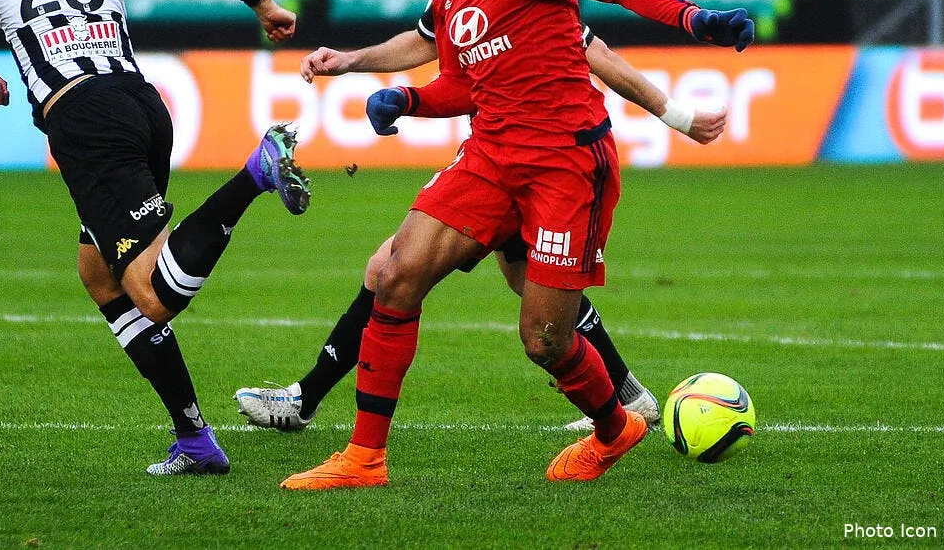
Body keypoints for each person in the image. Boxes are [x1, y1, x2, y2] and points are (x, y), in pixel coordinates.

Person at [281, 0, 753, 490]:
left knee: (544, 339)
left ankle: (616, 428)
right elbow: (459, 84)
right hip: (491, 156)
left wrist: (694, 18)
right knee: (395, 274)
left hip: (565, 162)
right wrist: (409, 98)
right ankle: (365, 456)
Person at [0, 0, 311, 478]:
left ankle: (255, 172)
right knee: (99, 274)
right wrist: (259, 0)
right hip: (141, 102)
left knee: (152, 295)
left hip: (83, 118)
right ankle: (194, 439)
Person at [235, 26, 726, 433]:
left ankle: (307, 399)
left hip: (542, 159)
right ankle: (627, 395)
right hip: (497, 155)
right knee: (514, 277)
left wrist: (679, 117)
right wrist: (350, 62)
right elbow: (427, 40)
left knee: (397, 268)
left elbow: (595, 52)